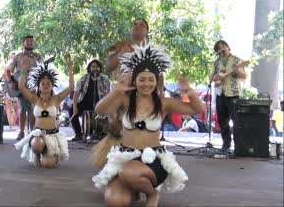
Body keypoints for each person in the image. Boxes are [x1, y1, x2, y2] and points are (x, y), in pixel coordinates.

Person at [91, 43, 204, 207]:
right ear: (135, 80)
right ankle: (134, 188)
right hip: (125, 156)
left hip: (153, 161)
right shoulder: (125, 100)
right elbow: (99, 109)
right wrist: (116, 91)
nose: (147, 84)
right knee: (115, 202)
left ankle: (152, 193)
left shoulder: (163, 103)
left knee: (129, 172)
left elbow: (196, 109)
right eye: (142, 79)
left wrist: (189, 93)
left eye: (151, 79)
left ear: (156, 81)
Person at [14, 58, 74, 168]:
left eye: (48, 83)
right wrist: (23, 69)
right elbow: (21, 87)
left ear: (52, 86)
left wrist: (70, 69)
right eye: (43, 83)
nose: (45, 85)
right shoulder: (34, 99)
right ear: (39, 86)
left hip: (52, 135)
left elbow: (71, 88)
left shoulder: (57, 99)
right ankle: (37, 154)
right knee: (36, 145)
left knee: (47, 165)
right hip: (38, 135)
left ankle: (54, 155)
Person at [211, 40, 247, 152]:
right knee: (222, 121)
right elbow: (211, 78)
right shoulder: (216, 62)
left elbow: (244, 76)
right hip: (220, 94)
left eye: (223, 46)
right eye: (219, 48)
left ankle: (238, 147)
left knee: (237, 121)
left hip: (233, 95)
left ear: (228, 47)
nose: (222, 49)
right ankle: (226, 145)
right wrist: (217, 77)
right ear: (217, 51)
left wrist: (237, 72)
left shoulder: (237, 60)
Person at [5, 36, 43, 140]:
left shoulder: (38, 57)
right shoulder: (18, 56)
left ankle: (32, 132)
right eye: (27, 41)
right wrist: (11, 81)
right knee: (23, 109)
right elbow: (8, 70)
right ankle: (21, 132)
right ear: (24, 43)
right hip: (20, 85)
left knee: (32, 109)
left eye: (31, 41)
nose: (30, 43)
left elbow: (43, 69)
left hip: (33, 86)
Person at [71, 60, 111, 141]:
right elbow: (76, 93)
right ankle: (78, 134)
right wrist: (75, 106)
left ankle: (102, 132)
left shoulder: (105, 79)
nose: (95, 68)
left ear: (100, 68)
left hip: (100, 104)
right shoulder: (83, 79)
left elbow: (108, 94)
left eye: (97, 67)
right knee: (71, 110)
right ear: (89, 68)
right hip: (85, 104)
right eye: (93, 66)